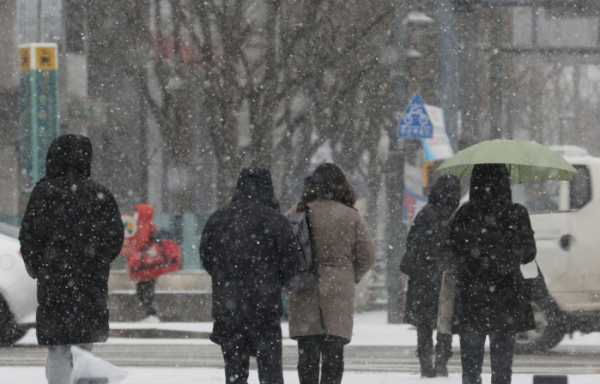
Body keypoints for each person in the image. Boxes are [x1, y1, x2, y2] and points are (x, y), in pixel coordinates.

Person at [19, 134, 123, 384]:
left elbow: (29, 238)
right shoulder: (99, 193)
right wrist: (96, 262)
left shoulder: (43, 193)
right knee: (84, 348)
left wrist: (40, 268)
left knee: (57, 349)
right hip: (90, 285)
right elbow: (114, 239)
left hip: (54, 284)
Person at [199, 167, 302, 384]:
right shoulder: (276, 221)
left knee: (235, 371)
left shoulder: (219, 219)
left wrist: (226, 279)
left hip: (229, 306)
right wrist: (274, 281)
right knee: (270, 369)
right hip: (265, 307)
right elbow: (292, 262)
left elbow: (207, 259)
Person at [286, 163, 375, 384]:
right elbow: (367, 255)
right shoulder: (351, 216)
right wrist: (350, 275)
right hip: (338, 287)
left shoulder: (298, 211)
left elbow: (284, 247)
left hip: (304, 283)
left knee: (307, 350)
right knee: (334, 350)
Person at [448, 164, 536, 384]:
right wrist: (506, 255)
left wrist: (475, 256)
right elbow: (528, 254)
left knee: (470, 365)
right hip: (506, 296)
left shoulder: (465, 213)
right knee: (502, 366)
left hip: (471, 296)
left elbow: (450, 251)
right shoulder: (517, 213)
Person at [401, 174, 461, 378]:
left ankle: (426, 364)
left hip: (423, 277)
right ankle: (442, 362)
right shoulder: (457, 216)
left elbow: (412, 245)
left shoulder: (425, 214)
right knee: (445, 322)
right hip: (447, 277)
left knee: (424, 324)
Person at [120, 203, 160, 323]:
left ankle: (151, 314)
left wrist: (133, 253)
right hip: (151, 263)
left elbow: (141, 243)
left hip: (144, 264)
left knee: (143, 289)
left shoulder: (143, 226)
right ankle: (151, 313)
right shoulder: (152, 224)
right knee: (148, 288)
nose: (135, 214)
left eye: (138, 212)